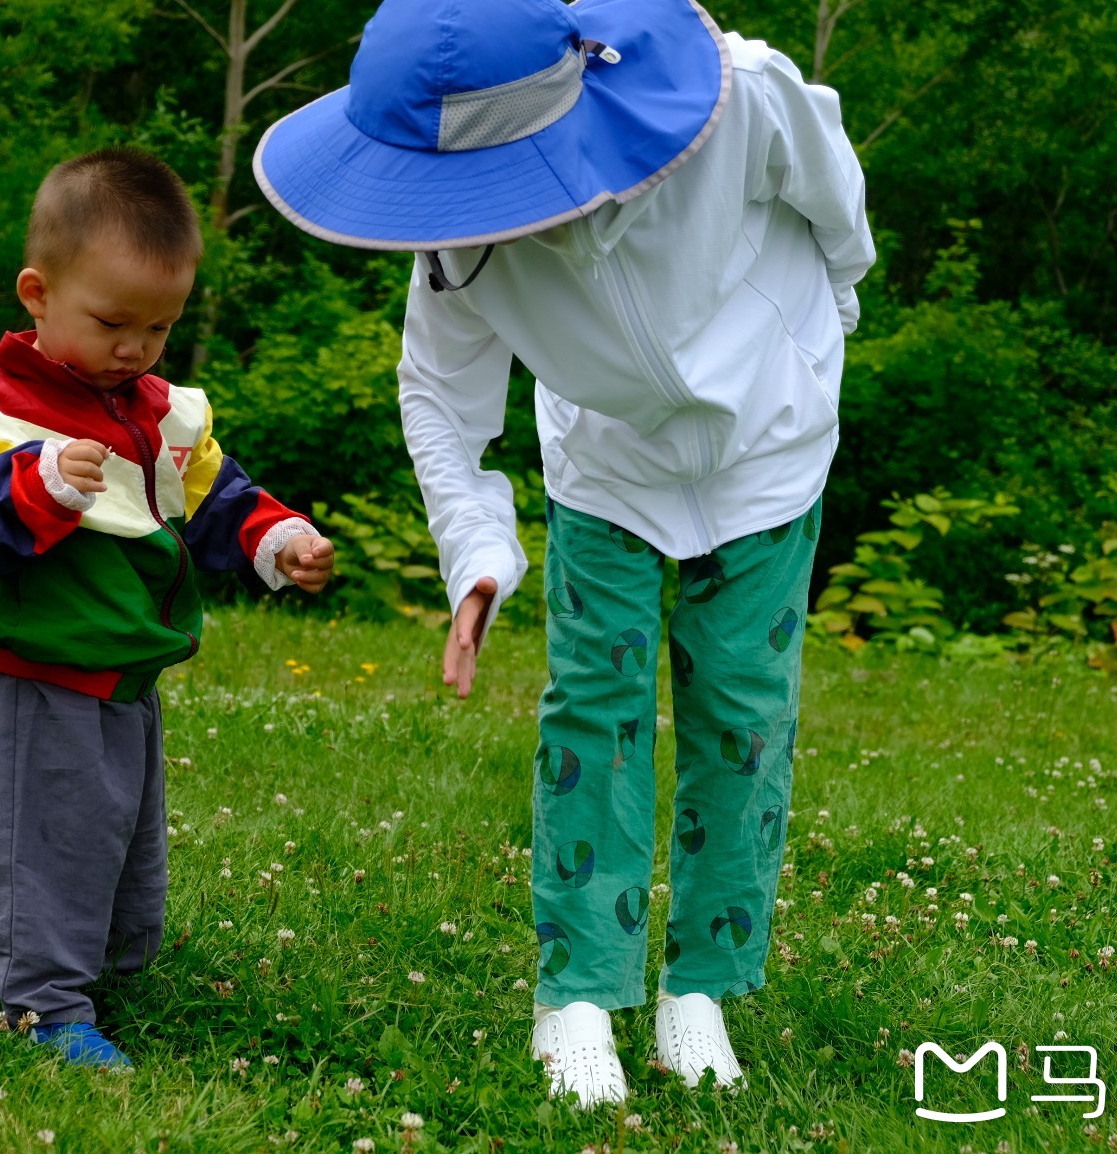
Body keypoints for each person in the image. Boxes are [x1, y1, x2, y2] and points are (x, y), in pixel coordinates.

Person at [253, 0, 873, 1108]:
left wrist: (820, 329)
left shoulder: (743, 97)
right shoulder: (455, 233)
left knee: (743, 707)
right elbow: (437, 397)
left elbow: (835, 210)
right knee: (594, 704)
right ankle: (578, 991)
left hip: (771, 443)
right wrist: (477, 553)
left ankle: (700, 986)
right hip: (605, 464)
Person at [0, 147, 336, 1068]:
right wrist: (37, 489)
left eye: (159, 327)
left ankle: (107, 965)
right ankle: (42, 1003)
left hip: (126, 669)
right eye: (112, 323)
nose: (135, 348)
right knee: (50, 834)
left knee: (120, 832)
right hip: (37, 671)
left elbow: (218, 496)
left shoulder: (157, 410)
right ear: (37, 292)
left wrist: (282, 539)